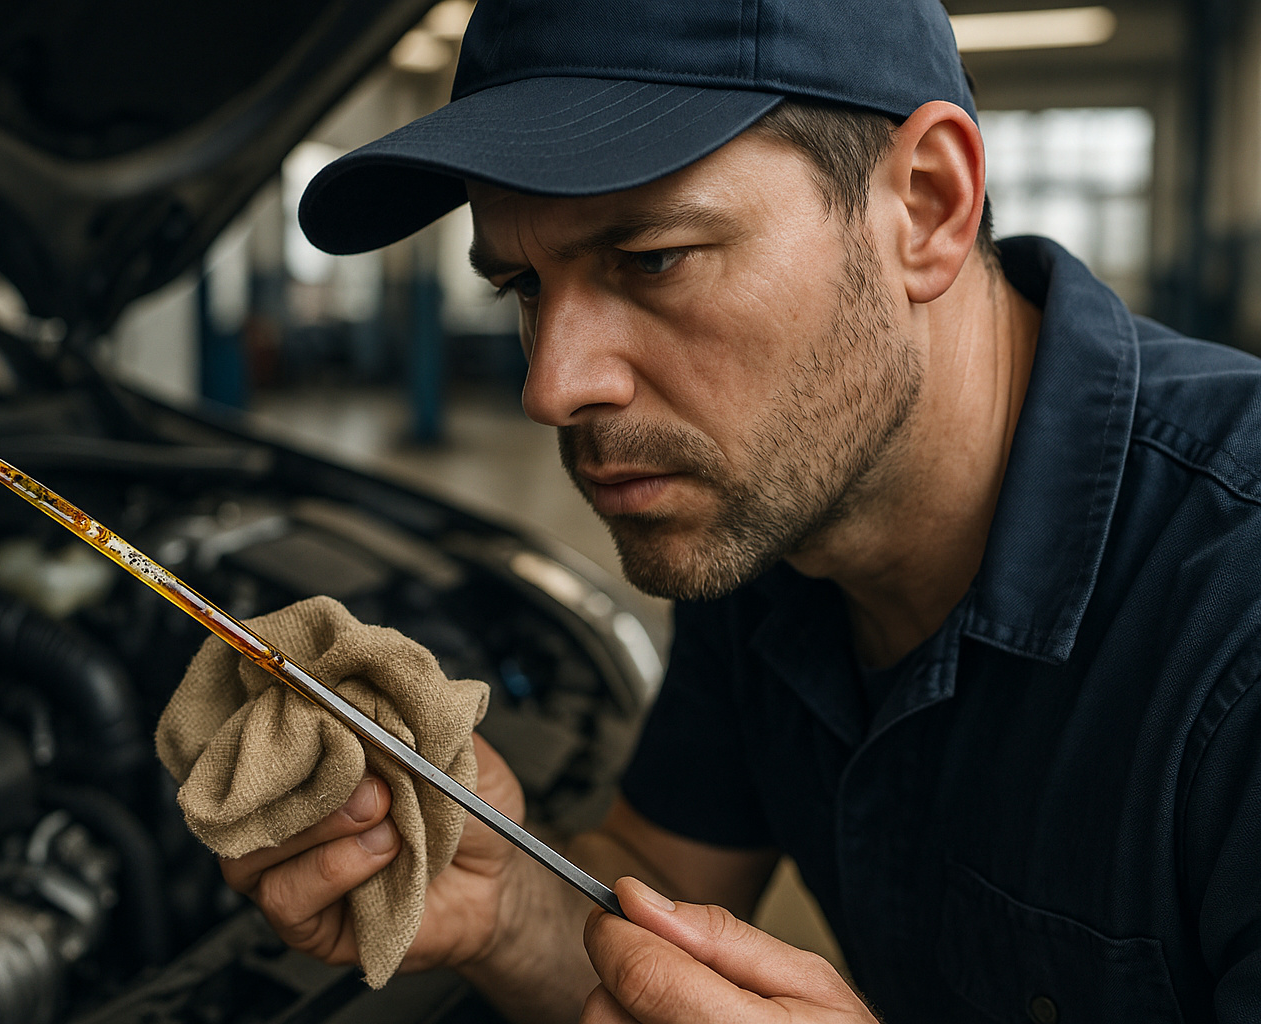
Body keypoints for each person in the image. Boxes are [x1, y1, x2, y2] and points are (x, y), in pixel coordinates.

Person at [220, 1, 1261, 1021]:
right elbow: (655, 892)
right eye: (525, 286)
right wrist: (500, 907)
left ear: (929, 206)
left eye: (652, 259)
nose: (553, 384)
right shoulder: (776, 516)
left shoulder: (1233, 619)